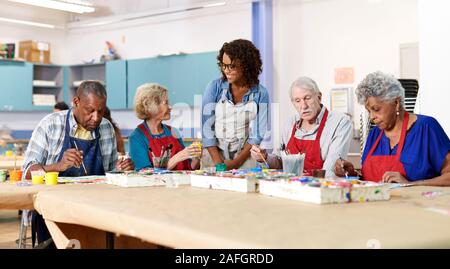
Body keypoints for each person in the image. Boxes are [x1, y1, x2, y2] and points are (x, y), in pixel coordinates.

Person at [22, 80, 134, 247]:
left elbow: (111, 175)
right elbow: (28, 174)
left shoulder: (106, 128)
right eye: (90, 111)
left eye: (100, 111)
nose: (96, 118)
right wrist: (57, 166)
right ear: (76, 102)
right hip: (54, 212)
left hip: (94, 209)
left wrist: (122, 169)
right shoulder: (50, 124)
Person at [334, 71, 450, 186]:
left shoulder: (426, 128)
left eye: (376, 109)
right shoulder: (375, 134)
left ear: (396, 102)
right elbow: (370, 182)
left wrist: (411, 184)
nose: (371, 117)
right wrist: (352, 174)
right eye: (369, 111)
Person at [251, 77, 352, 177]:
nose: (303, 106)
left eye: (307, 98)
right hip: (291, 187)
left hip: (321, 187)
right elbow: (280, 161)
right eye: (297, 101)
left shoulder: (340, 122)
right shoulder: (289, 124)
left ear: (319, 97)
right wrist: (264, 157)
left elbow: (330, 169)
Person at [201, 39, 269, 170]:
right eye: (223, 65)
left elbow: (257, 134)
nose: (226, 70)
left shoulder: (261, 93)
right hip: (213, 154)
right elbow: (206, 129)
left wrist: (236, 162)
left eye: (231, 66)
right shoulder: (214, 87)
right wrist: (219, 163)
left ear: (246, 65)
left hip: (244, 155)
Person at [129, 83, 201, 171]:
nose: (170, 107)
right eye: (166, 103)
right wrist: (177, 157)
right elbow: (144, 174)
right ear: (152, 106)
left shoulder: (173, 131)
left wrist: (196, 158)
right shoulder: (137, 137)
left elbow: (189, 168)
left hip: (181, 184)